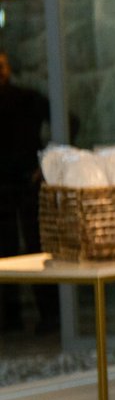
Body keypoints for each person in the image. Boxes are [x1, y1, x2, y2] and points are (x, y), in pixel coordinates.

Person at [0, 50, 53, 334]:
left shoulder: (27, 99)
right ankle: (11, 317)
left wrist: (46, 162)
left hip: (26, 183)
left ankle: (48, 315)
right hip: (5, 186)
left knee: (35, 246)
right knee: (6, 250)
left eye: (2, 65)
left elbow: (66, 120)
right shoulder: (26, 98)